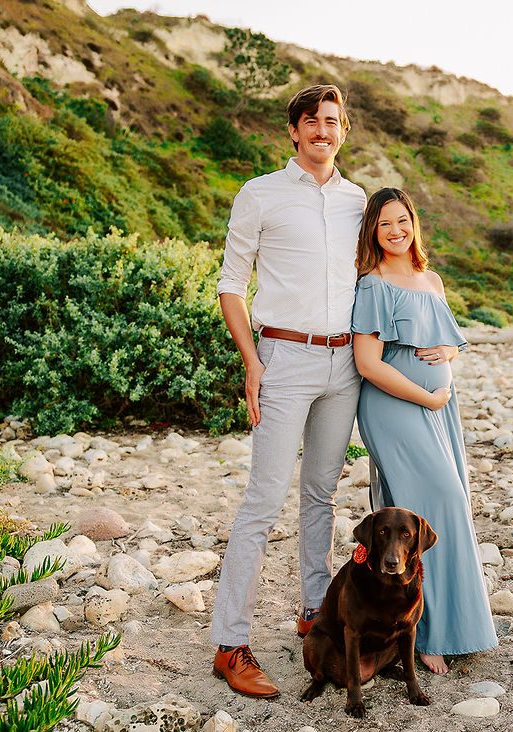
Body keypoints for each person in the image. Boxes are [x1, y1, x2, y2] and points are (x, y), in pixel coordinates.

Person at [210, 84, 367, 698]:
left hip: (343, 366)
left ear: (343, 131)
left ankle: (314, 614)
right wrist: (252, 361)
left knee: (321, 495)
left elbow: (387, 273)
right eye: (312, 122)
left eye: (332, 122)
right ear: (295, 131)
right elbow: (230, 283)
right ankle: (231, 644)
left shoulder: (358, 200)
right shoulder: (261, 194)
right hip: (282, 358)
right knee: (263, 501)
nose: (322, 131)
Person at [351, 188, 498, 674]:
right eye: (384, 224)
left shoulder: (430, 279)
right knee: (441, 504)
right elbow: (369, 364)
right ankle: (430, 633)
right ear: (372, 230)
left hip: (439, 409)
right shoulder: (372, 283)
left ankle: (450, 626)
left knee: (448, 506)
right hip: (395, 407)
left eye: (402, 221)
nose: (395, 231)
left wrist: (449, 357)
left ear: (414, 223)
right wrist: (430, 394)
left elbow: (447, 339)